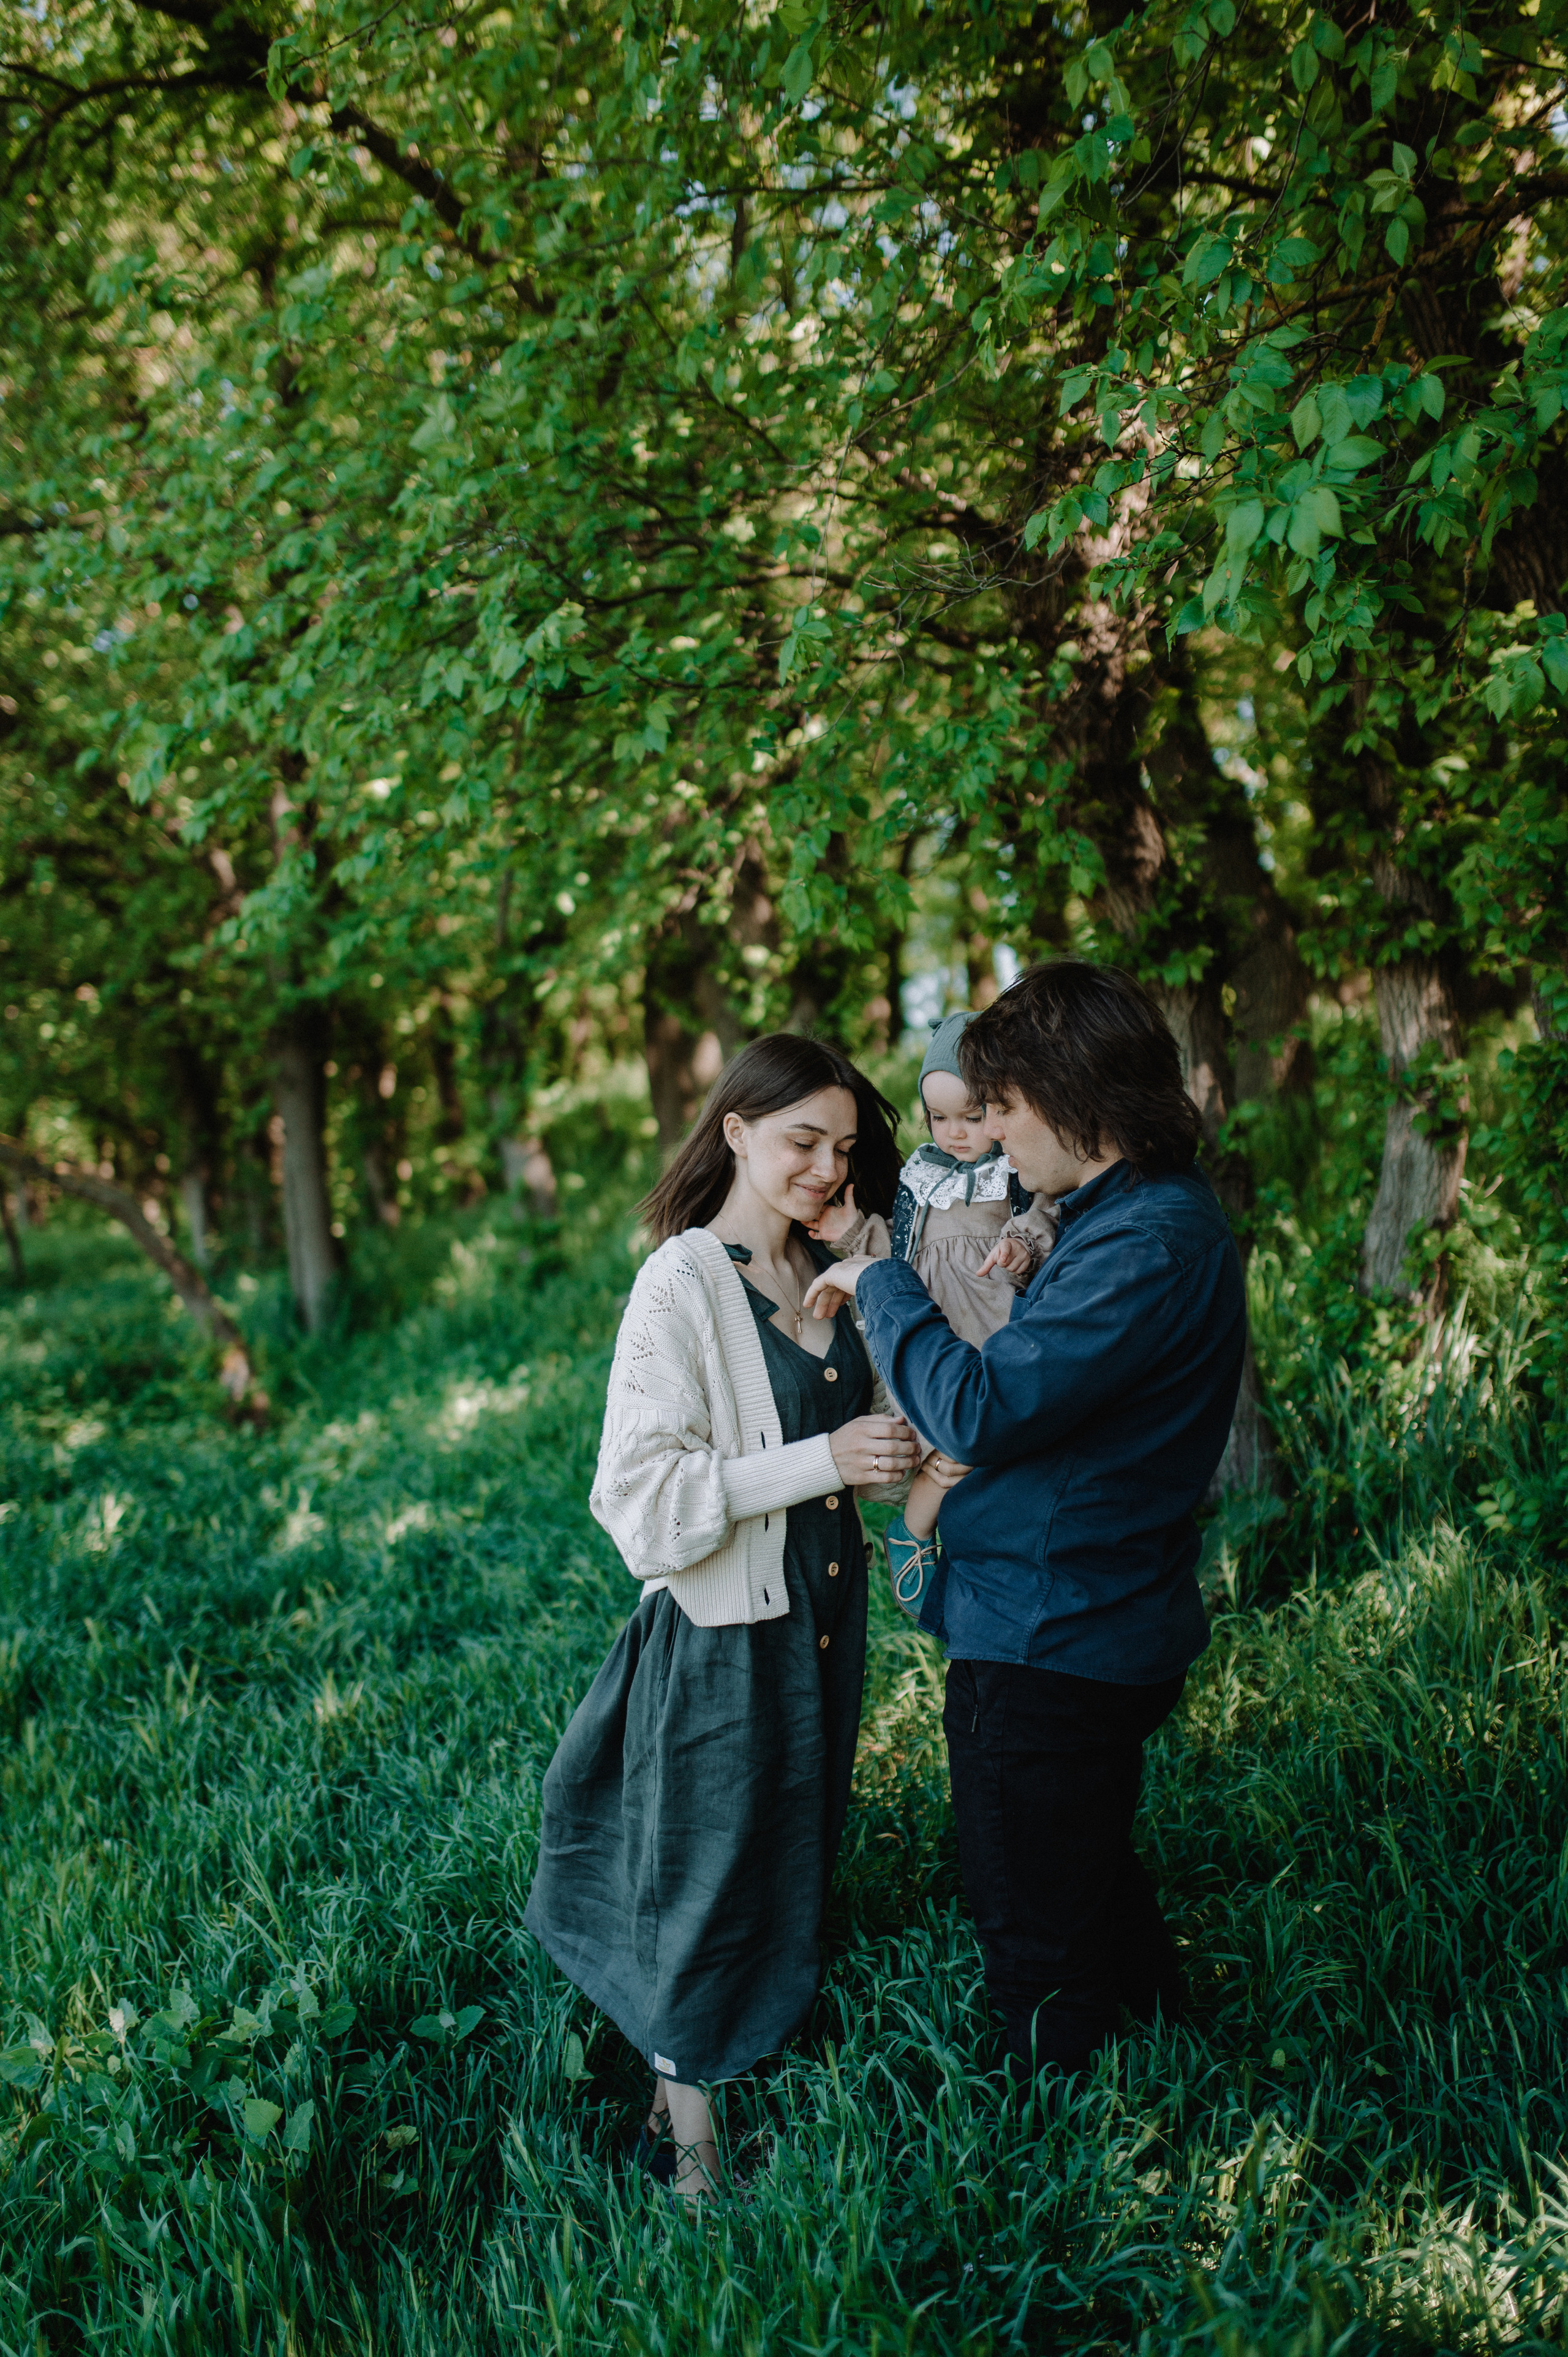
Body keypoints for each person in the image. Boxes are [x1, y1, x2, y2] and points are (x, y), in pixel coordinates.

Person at [803, 961, 1247, 2081]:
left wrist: (878, 1281)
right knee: (1086, 1872)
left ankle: (1065, 2138)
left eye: (1003, 1105)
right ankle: (1172, 2062)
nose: (991, 1130)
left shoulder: (1145, 1243)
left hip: (1053, 1641)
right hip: (1073, 1617)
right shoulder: (1113, 1218)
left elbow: (979, 1408)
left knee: (1035, 1944)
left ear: (1071, 1094)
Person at [523, 1035, 918, 2203]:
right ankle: (692, 2169)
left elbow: (865, 1442)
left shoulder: (831, 1266)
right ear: (736, 1132)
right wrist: (824, 1460)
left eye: (843, 1148)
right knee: (705, 1877)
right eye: (802, 1141)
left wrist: (877, 1310)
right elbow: (639, 1505)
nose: (825, 1167)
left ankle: (697, 2075)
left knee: (787, 1857)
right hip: (719, 1635)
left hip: (824, 1621)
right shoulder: (682, 1284)